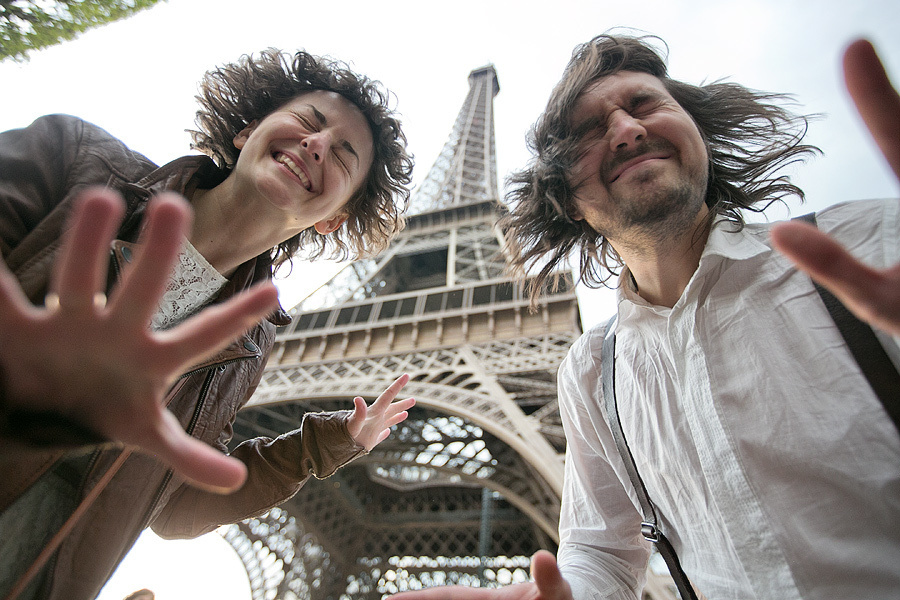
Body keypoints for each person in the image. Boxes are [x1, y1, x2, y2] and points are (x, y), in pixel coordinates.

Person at [392, 35, 900, 600]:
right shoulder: (592, 372)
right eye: (589, 131)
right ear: (566, 200)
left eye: (645, 106)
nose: (627, 131)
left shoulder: (870, 248)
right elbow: (600, 554)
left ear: (699, 136)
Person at [0, 49, 415, 600]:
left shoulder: (250, 341)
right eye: (309, 122)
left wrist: (325, 445)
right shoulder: (72, 159)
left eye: (343, 155)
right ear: (246, 131)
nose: (316, 144)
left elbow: (173, 505)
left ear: (334, 217)